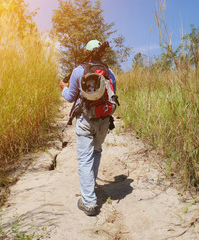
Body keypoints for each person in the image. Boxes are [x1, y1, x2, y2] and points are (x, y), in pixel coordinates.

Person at [59, 40, 117, 216]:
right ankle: (90, 188)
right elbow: (112, 94)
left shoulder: (78, 71)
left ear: (86, 52)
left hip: (86, 120)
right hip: (104, 120)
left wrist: (63, 88)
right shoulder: (109, 72)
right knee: (96, 152)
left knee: (85, 159)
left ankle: (89, 202)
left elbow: (70, 97)